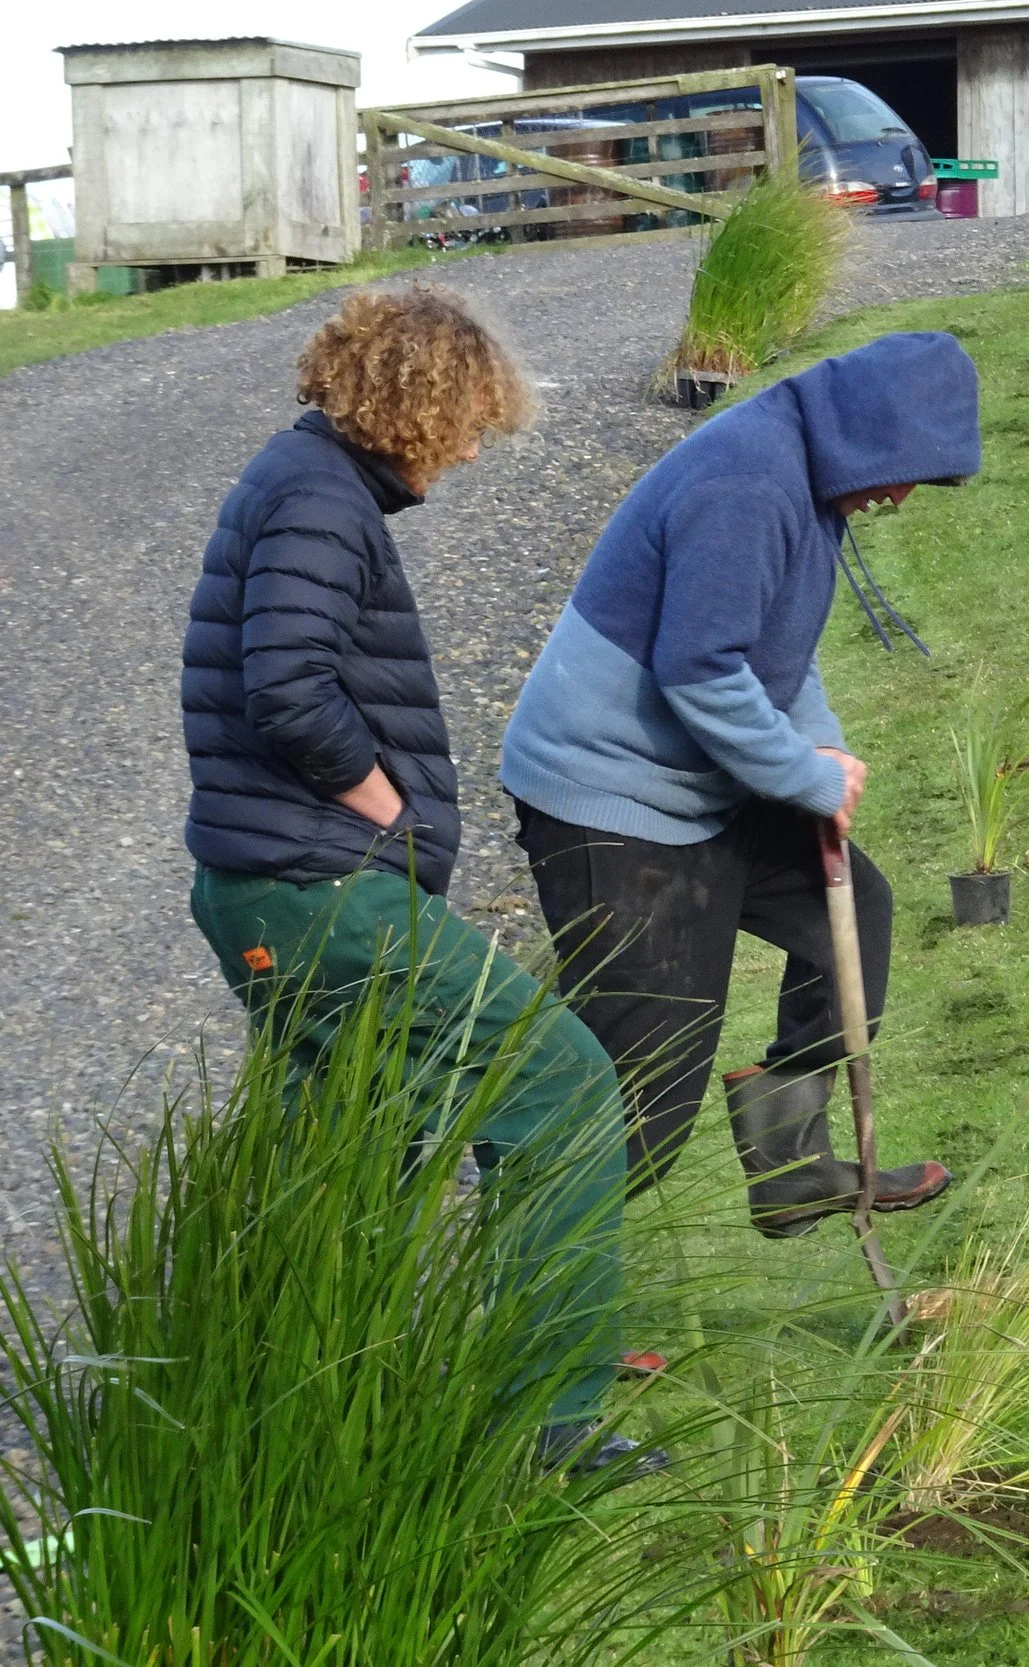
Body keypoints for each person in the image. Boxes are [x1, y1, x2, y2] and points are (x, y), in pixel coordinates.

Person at [181, 284, 650, 1472]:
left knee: (348, 1151)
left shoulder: (304, 486)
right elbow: (285, 688)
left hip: (271, 892)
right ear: (417, 401)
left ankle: (293, 1414)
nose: (478, 443)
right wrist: (388, 814)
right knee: (563, 1091)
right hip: (324, 894)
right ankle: (546, 1420)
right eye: (470, 416)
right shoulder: (318, 502)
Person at [499, 331, 980, 1236]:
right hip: (612, 801)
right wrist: (799, 773)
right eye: (908, 468)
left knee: (852, 916)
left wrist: (820, 769)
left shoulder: (812, 478)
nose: (903, 495)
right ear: (871, 431)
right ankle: (528, 1309)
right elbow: (702, 672)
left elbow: (779, 660)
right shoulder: (750, 484)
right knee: (648, 1090)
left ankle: (792, 1166)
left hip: (697, 783)